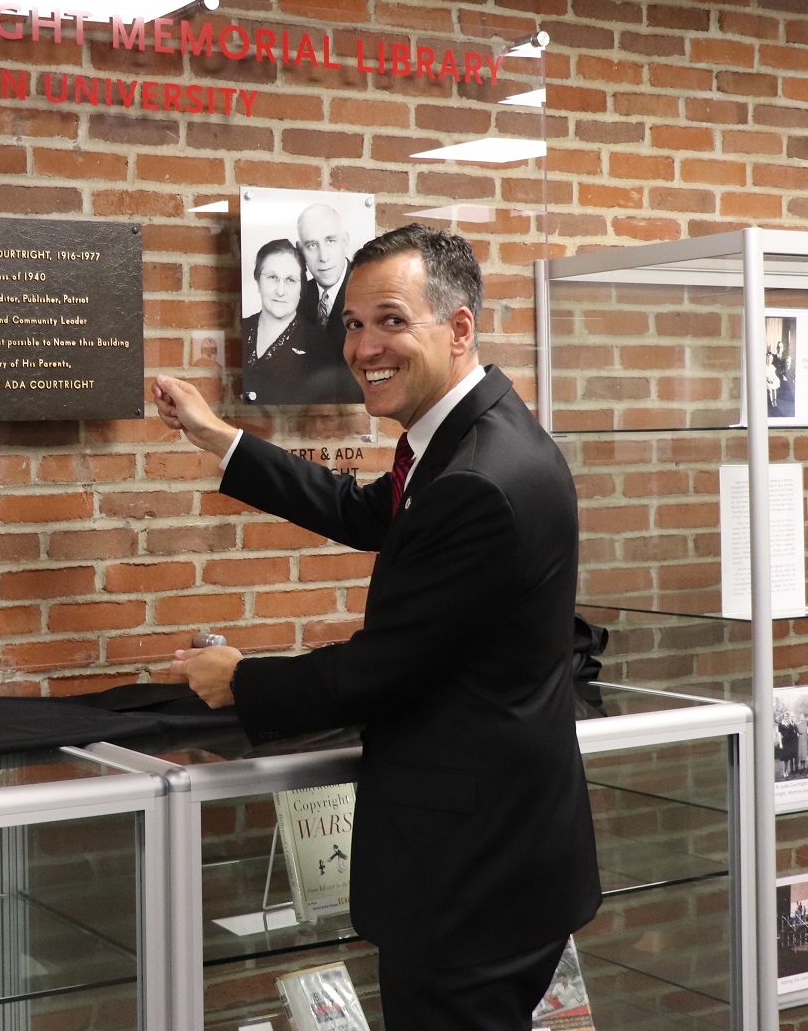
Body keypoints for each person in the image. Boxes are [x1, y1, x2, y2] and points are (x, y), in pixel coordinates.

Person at [155, 223, 599, 1029]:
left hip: (470, 882)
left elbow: (382, 669)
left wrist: (242, 680)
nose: (365, 348)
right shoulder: (478, 434)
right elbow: (368, 512)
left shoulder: (477, 479)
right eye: (353, 324)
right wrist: (222, 438)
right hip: (511, 861)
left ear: (459, 328)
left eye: (392, 320)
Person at [242, 239, 336, 404]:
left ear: (301, 289)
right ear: (258, 282)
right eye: (272, 277)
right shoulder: (240, 329)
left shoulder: (319, 344)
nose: (280, 291)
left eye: (290, 280)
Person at [293, 203, 362, 402]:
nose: (323, 257)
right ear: (300, 251)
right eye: (312, 245)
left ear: (345, 242)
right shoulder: (296, 297)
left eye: (330, 241)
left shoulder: (367, 291)